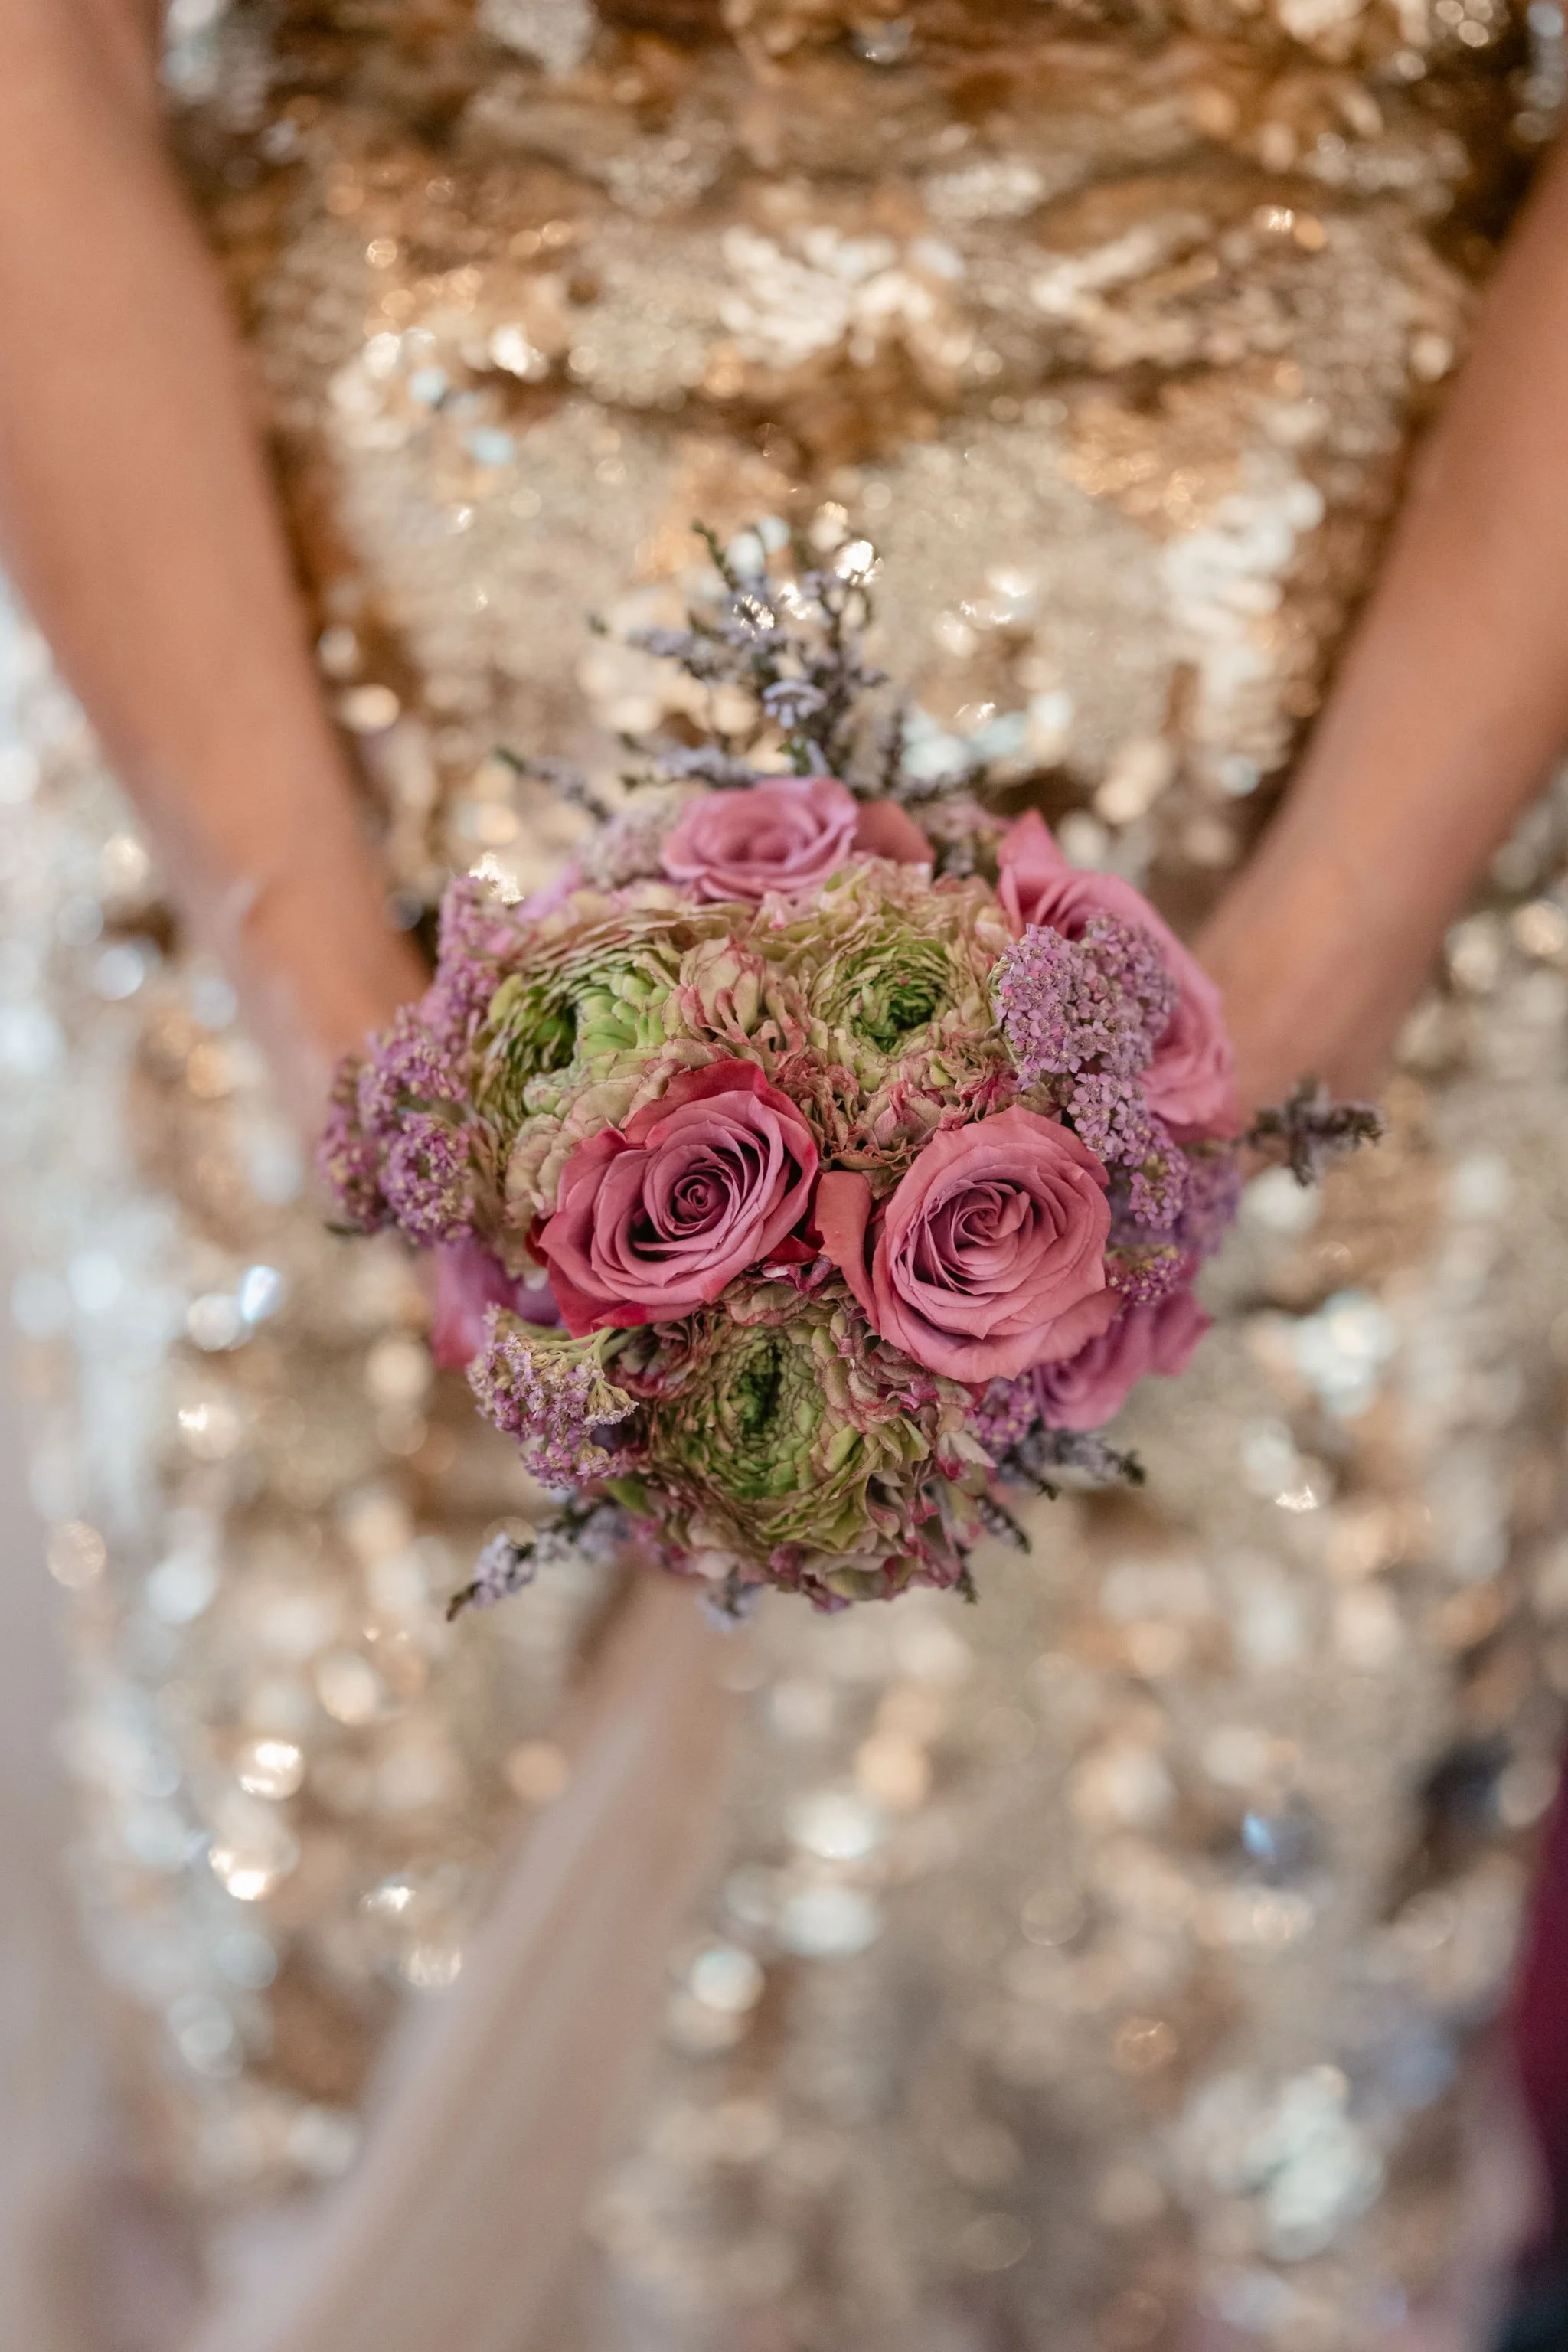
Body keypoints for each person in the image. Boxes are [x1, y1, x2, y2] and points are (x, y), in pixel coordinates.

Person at [3, 2, 1568, 2345]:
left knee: (1207, 2077)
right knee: (339, 2020)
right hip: (301, 799)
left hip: (1356, 856)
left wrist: (1270, 1016)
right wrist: (354, 1042)